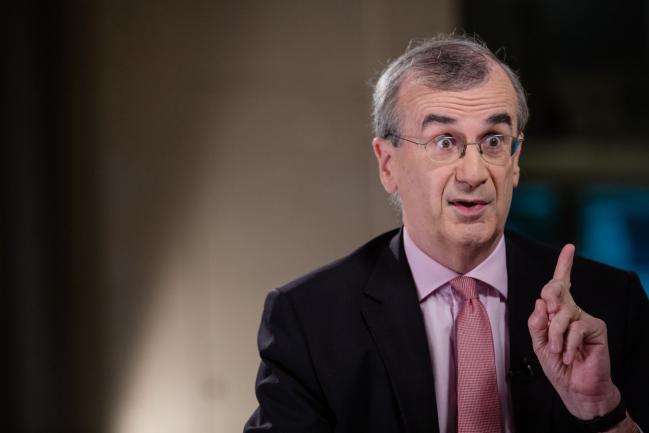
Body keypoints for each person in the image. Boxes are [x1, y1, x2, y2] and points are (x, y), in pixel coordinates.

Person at [243, 35, 648, 433]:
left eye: (493, 141)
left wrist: (604, 413)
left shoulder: (611, 305)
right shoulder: (310, 319)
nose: (474, 174)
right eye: (444, 142)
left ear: (516, 160)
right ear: (388, 164)